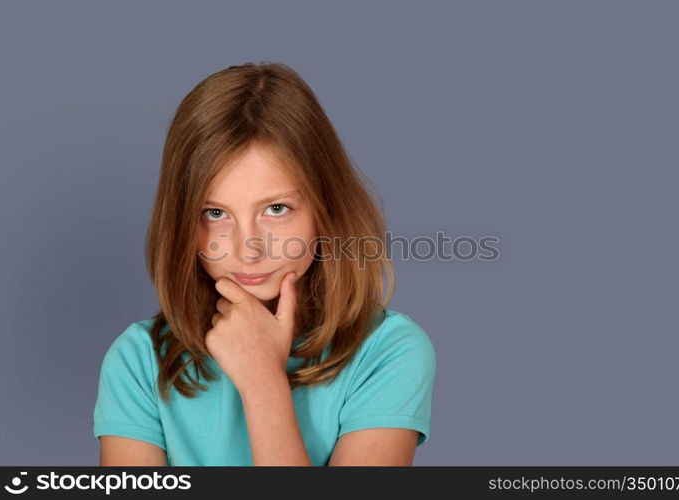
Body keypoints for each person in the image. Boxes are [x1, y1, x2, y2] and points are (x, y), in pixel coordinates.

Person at [93, 62, 437, 466]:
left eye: (276, 208)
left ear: (325, 210)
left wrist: (263, 384)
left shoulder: (388, 352)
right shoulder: (139, 361)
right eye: (214, 213)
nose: (248, 249)